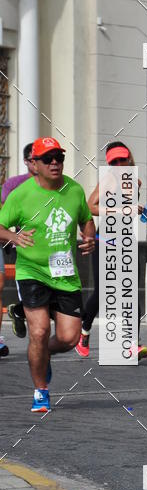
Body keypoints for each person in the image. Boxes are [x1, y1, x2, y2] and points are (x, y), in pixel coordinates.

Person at [0, 136, 96, 412]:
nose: (55, 163)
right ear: (35, 163)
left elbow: (86, 220)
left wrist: (89, 237)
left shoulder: (74, 190)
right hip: (32, 271)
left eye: (59, 158)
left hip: (65, 274)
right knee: (40, 331)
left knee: (68, 338)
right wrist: (13, 237)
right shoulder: (21, 195)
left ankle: (43, 355)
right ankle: (41, 391)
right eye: (48, 159)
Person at [75, 142, 147, 359]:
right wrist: (121, 209)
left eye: (121, 159)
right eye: (113, 162)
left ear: (129, 158)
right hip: (105, 241)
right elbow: (90, 206)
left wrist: (138, 211)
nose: (118, 164)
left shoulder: (136, 182)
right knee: (102, 293)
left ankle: (132, 344)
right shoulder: (109, 179)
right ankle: (84, 332)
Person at [1, 141, 37, 341]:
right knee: (29, 292)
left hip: (54, 246)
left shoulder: (58, 185)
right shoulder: (14, 184)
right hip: (24, 246)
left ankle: (18, 311)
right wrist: (10, 237)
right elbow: (5, 214)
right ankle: (37, 340)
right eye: (33, 159)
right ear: (26, 161)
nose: (38, 163)